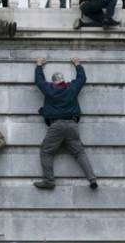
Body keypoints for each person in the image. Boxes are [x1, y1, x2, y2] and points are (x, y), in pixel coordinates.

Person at [33, 57, 97, 190]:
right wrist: (77, 64)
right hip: (72, 125)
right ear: (63, 80)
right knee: (79, 153)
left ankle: (49, 181)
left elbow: (39, 81)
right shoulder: (71, 88)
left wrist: (39, 65)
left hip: (56, 125)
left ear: (54, 81)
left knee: (46, 151)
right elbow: (82, 78)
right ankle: (92, 179)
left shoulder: (49, 88)